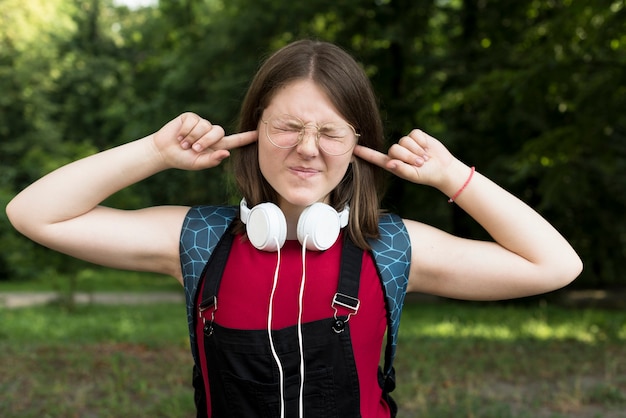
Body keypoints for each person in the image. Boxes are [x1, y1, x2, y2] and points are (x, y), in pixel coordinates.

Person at [6, 39, 582, 418]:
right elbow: (33, 213)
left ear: (357, 145)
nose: (307, 150)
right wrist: (156, 152)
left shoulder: (391, 248)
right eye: (287, 127)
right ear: (253, 131)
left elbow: (555, 265)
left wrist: (455, 177)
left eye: (331, 133)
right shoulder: (197, 241)